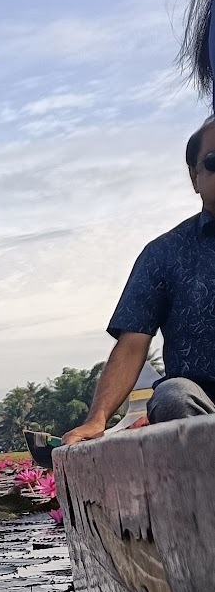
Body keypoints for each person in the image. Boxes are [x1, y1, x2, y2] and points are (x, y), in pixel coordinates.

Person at [62, 120, 215, 442]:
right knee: (174, 394)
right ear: (194, 177)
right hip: (202, 406)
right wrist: (98, 419)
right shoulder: (164, 253)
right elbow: (132, 344)